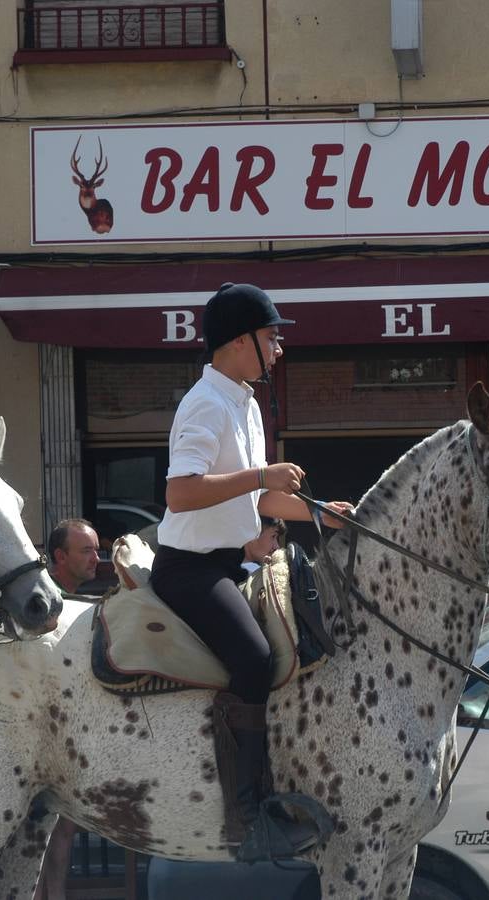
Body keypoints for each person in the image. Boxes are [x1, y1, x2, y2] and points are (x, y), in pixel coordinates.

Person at [150, 282, 353, 862]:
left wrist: (321, 514)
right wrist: (262, 478)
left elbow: (259, 503)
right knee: (255, 659)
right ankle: (246, 818)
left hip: (232, 561)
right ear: (240, 342)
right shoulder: (205, 403)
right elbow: (181, 493)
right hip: (190, 572)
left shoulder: (244, 403)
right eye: (271, 337)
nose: (279, 348)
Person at [35, 517, 101, 900]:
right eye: (87, 550)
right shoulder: (42, 603)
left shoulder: (78, 600)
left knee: (61, 834)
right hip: (41, 738)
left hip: (67, 738)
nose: (97, 558)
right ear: (60, 556)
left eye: (97, 549)